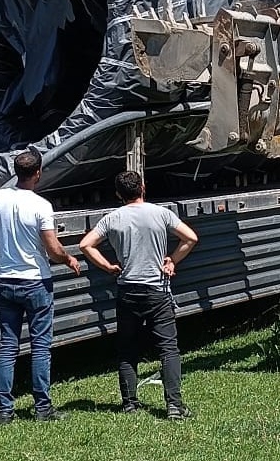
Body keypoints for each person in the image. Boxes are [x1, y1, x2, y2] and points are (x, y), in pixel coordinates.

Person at [0, 149, 80, 424]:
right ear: (39, 173)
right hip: (36, 282)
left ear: (15, 172)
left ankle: (5, 411)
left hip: (6, 281)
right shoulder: (41, 205)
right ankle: (42, 408)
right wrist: (67, 259)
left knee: (8, 346)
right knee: (40, 346)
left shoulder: (0, 198)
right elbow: (52, 248)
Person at [79, 170, 198, 420]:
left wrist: (108, 266)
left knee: (127, 348)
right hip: (157, 291)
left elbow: (85, 245)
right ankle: (174, 406)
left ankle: (130, 403)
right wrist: (172, 261)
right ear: (143, 188)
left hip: (128, 291)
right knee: (168, 349)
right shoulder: (161, 213)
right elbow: (190, 238)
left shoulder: (112, 218)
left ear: (118, 194)